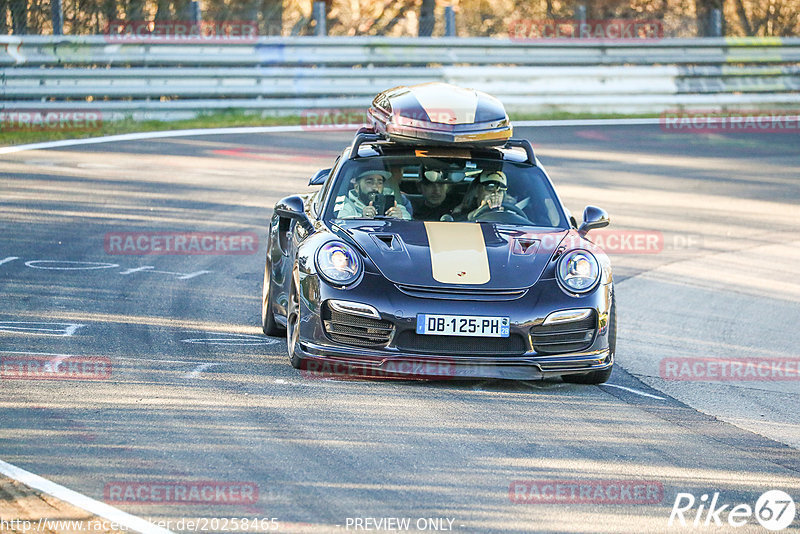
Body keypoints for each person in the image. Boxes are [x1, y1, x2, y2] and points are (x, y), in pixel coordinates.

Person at [336, 169, 411, 219]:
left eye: (379, 182)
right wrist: (362, 219)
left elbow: (410, 226)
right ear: (356, 187)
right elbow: (343, 227)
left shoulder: (395, 207)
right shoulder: (348, 208)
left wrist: (400, 220)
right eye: (369, 182)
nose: (375, 187)